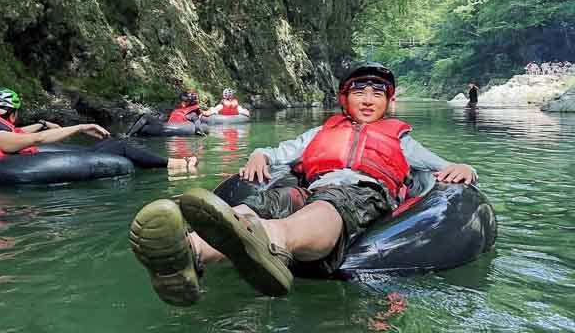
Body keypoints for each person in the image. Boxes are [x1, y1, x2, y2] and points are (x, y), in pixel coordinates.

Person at [129, 62, 476, 306]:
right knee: (267, 202)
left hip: (361, 191)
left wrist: (464, 167)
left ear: (389, 101)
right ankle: (187, 253)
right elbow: (278, 152)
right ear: (344, 99)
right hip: (312, 187)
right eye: (359, 91)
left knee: (330, 206)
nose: (368, 99)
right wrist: (259, 156)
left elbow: (445, 169)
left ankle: (274, 243)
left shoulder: (401, 140)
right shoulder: (321, 133)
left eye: (377, 93)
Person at [0, 88, 197, 170]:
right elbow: (37, 139)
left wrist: (42, 122)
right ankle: (177, 166)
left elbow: (23, 133)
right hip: (37, 165)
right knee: (120, 146)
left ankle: (165, 164)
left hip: (37, 160)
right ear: (8, 111)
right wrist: (81, 126)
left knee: (108, 145)